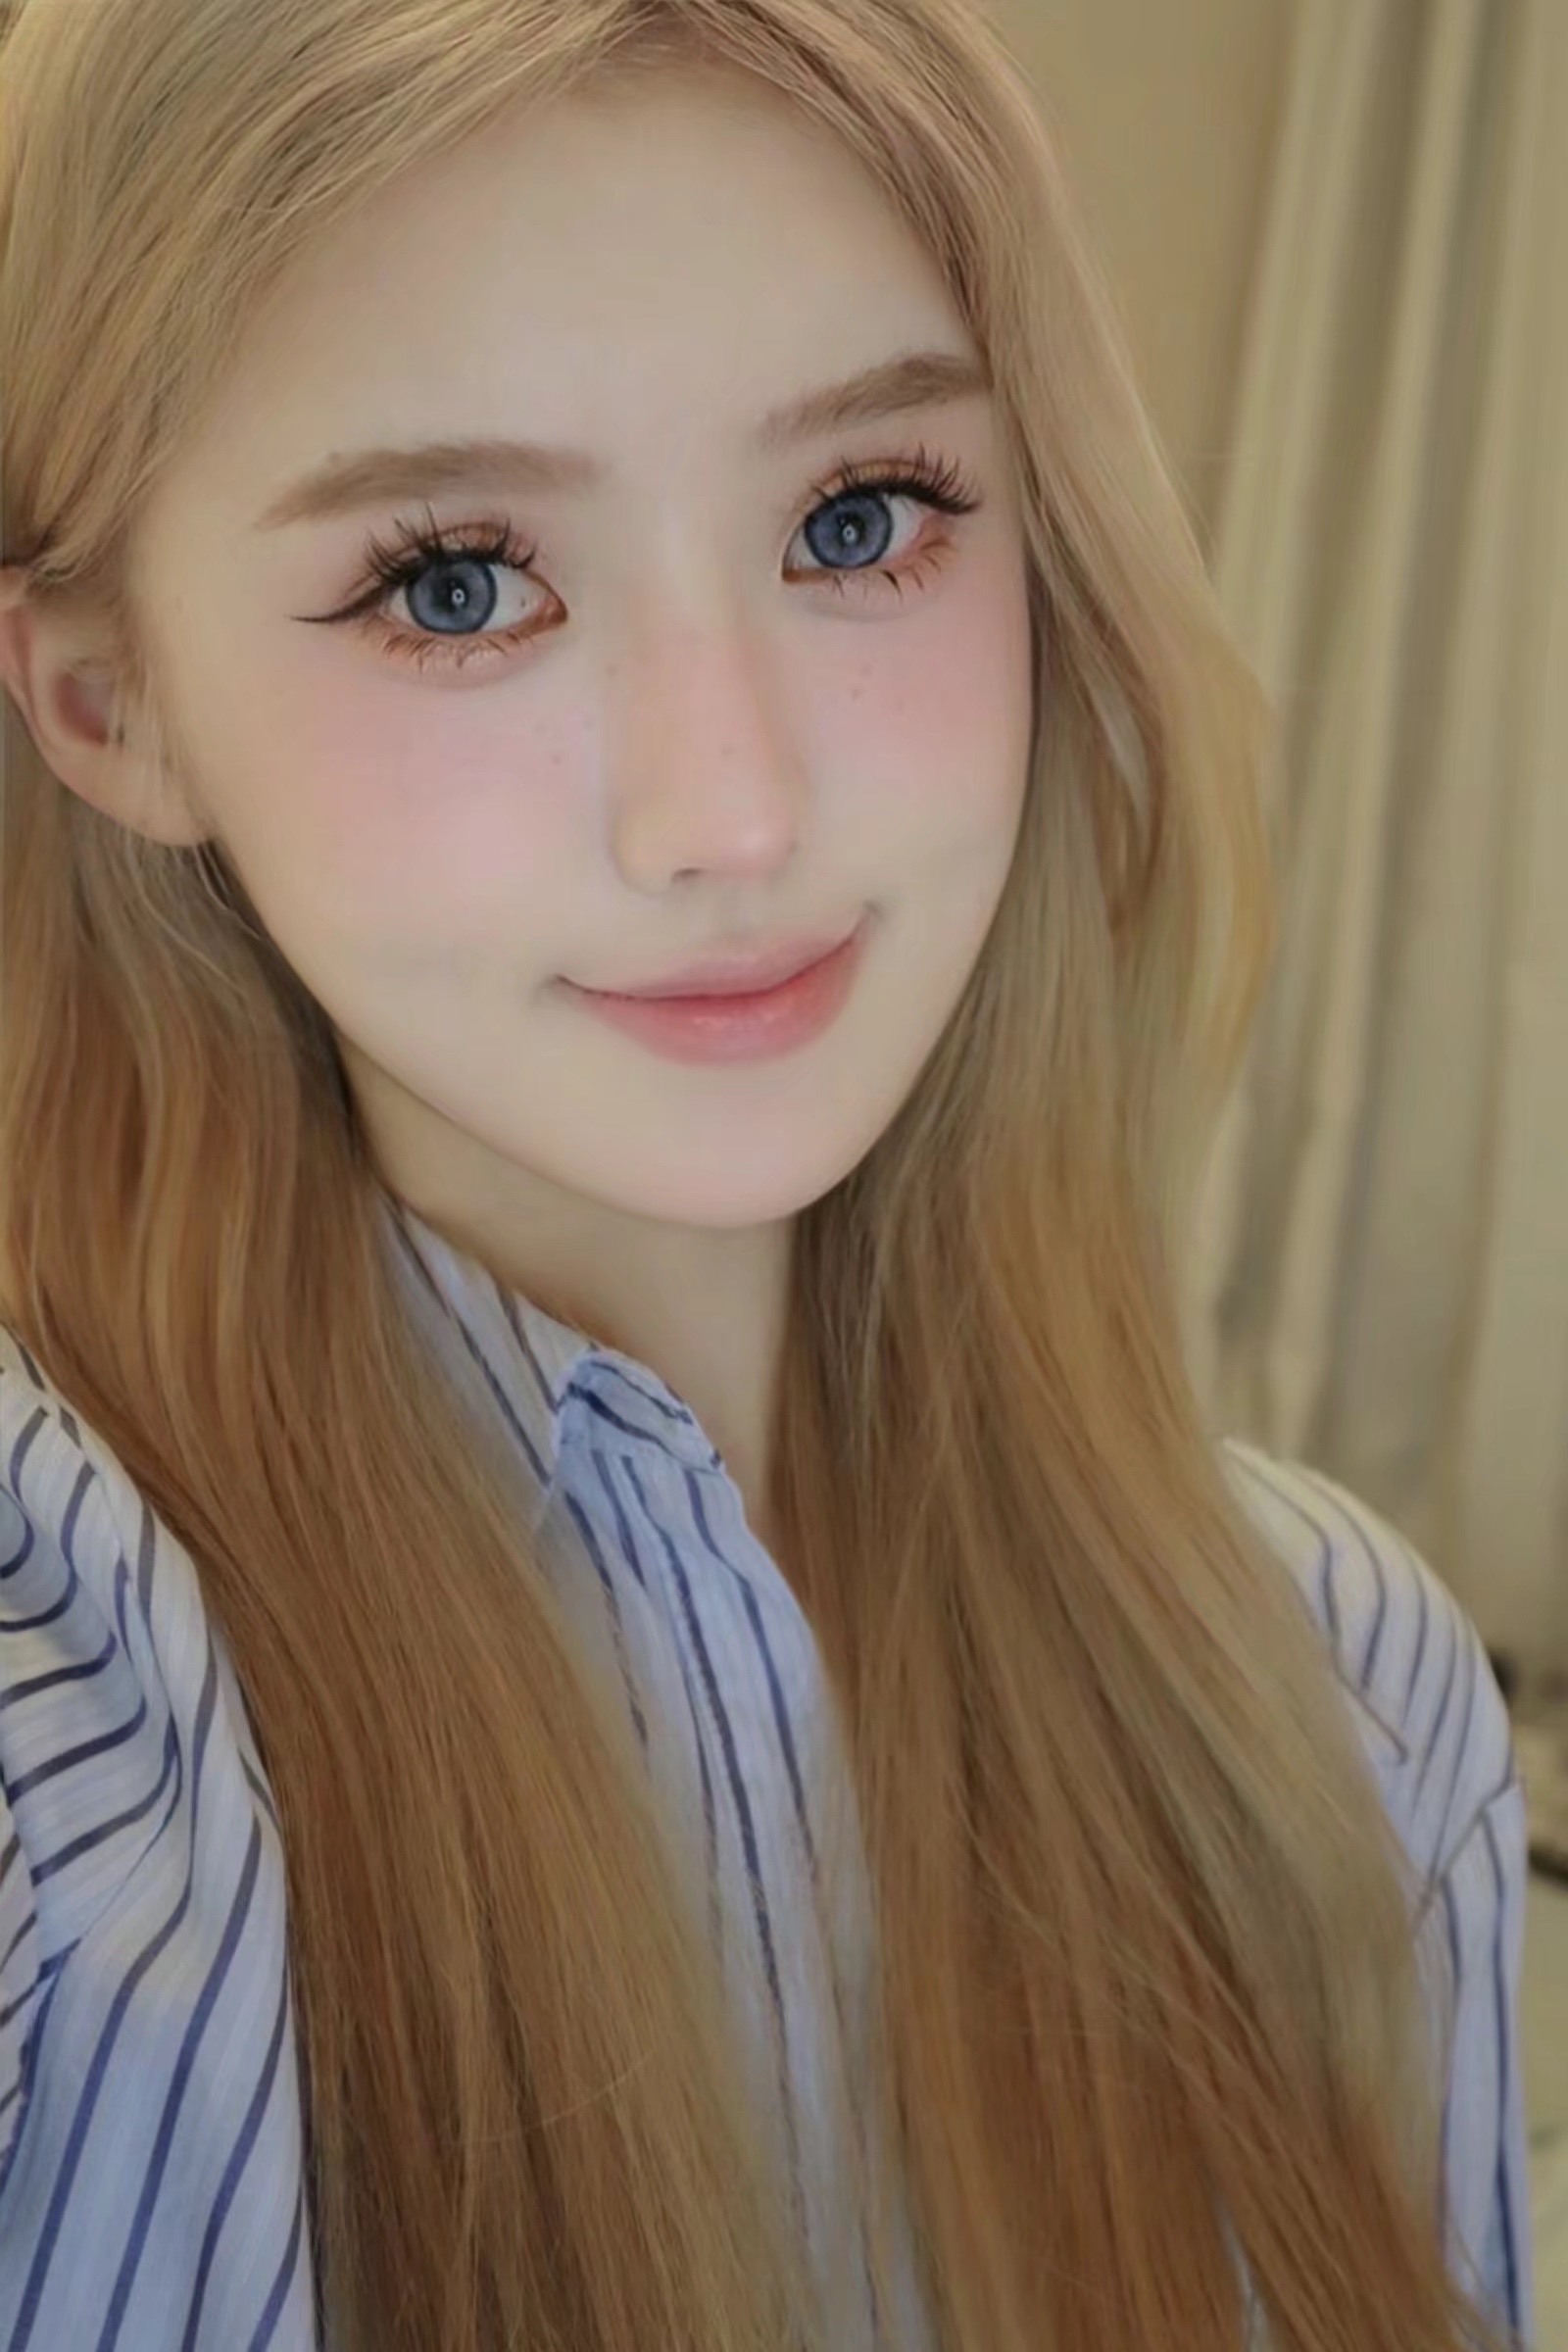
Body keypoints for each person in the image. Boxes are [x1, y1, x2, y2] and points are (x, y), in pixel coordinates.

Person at [0, 0, 1535, 2346]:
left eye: (856, 520)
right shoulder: (76, 1723)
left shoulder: (1339, 1708)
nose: (730, 812)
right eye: (453, 581)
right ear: (109, 707)